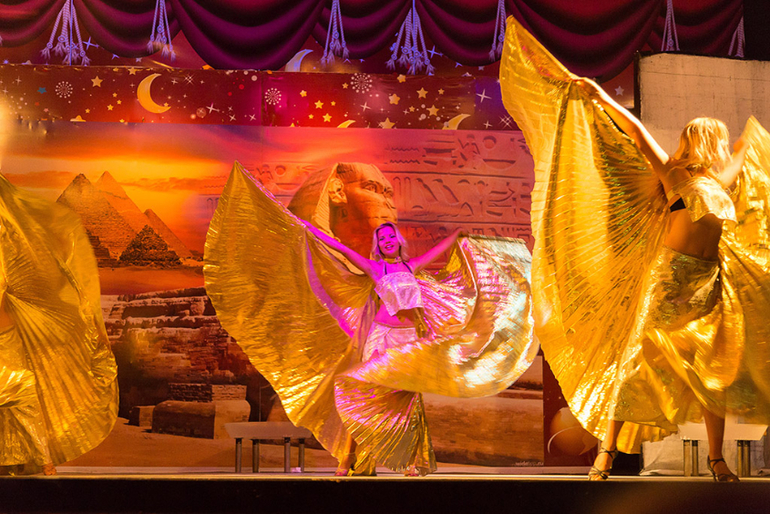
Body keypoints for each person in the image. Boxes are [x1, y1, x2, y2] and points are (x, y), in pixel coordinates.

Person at [500, 17, 770, 482]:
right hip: (670, 279)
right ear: (702, 140)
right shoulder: (674, 173)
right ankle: (606, 454)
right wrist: (598, 95)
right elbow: (635, 130)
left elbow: (747, 147)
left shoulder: (721, 182)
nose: (721, 144)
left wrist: (752, 136)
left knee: (713, 374)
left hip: (708, 285)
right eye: (716, 137)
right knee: (633, 369)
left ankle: (716, 459)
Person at [204, 162, 537, 476]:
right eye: (383, 238)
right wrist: (304, 227)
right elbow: (337, 248)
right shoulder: (375, 269)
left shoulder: (411, 267)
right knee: (358, 391)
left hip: (408, 340)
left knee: (408, 402)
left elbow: (444, 247)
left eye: (391, 236)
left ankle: (413, 463)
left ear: (398, 241)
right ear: (379, 246)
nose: (387, 240)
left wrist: (463, 238)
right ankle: (347, 459)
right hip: (381, 337)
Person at [0, 173, 119, 475]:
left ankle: (39, 461)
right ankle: (41, 462)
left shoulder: (14, 251)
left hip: (10, 337)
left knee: (21, 392)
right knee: (21, 391)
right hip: (11, 334)